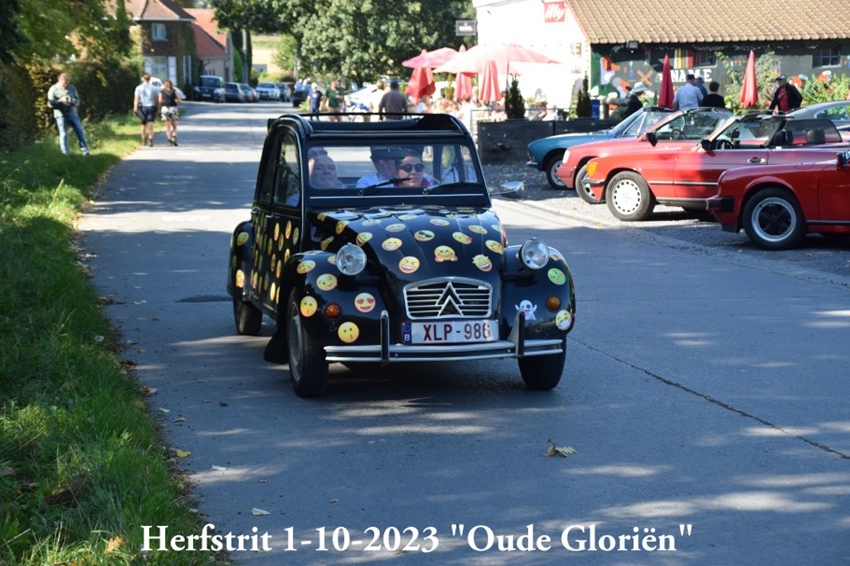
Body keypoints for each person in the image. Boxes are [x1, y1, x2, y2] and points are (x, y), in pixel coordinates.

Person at [46, 72, 90, 156]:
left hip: (73, 114)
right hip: (60, 115)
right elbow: (50, 104)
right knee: (63, 134)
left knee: (80, 132)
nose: (66, 84)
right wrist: (60, 101)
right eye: (64, 82)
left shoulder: (72, 88)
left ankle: (85, 152)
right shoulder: (53, 89)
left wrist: (72, 101)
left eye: (67, 82)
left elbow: (78, 100)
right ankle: (65, 154)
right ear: (59, 80)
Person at [133, 73, 159, 147]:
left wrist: (135, 108)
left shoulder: (138, 88)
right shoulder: (154, 88)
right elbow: (156, 99)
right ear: (149, 79)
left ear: (142, 79)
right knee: (150, 123)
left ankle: (143, 138)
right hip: (151, 106)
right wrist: (157, 107)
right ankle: (150, 139)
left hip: (142, 107)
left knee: (143, 123)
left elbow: (136, 99)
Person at [158, 79, 183, 146]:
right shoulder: (174, 91)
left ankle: (169, 141)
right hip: (173, 108)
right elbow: (180, 100)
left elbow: (159, 101)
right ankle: (174, 137)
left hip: (165, 108)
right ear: (171, 84)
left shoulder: (161, 91)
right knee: (175, 126)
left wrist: (159, 108)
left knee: (167, 127)